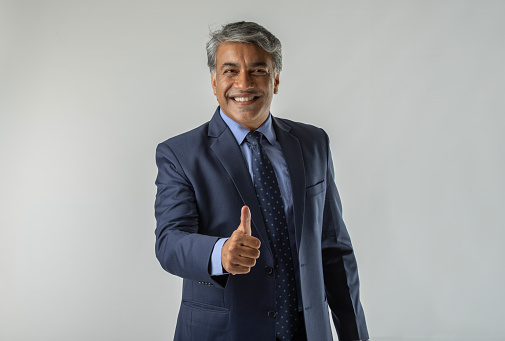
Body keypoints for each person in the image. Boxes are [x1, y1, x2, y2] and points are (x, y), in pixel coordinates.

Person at [154, 21, 369, 341]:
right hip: (225, 332)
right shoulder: (180, 153)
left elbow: (333, 250)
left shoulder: (313, 143)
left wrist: (355, 336)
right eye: (230, 71)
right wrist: (220, 252)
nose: (244, 83)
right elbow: (170, 243)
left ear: (276, 79)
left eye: (258, 70)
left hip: (307, 331)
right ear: (214, 82)